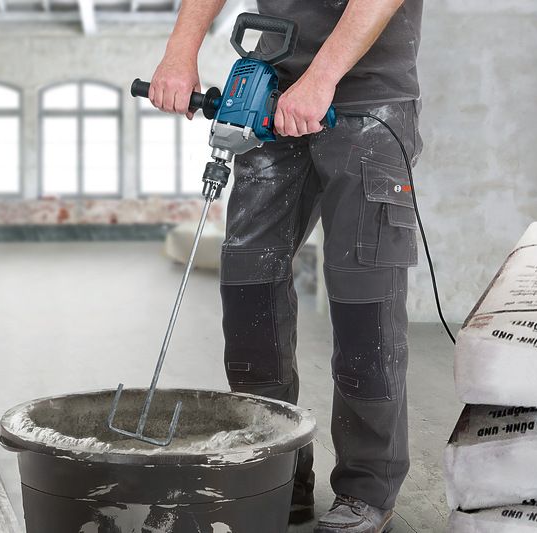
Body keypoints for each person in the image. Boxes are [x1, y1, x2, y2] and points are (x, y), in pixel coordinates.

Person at [149, 1, 422, 532]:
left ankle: (368, 489)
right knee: (249, 284)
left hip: (368, 100)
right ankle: (276, 472)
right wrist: (179, 54)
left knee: (363, 299)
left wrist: (321, 77)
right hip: (271, 93)